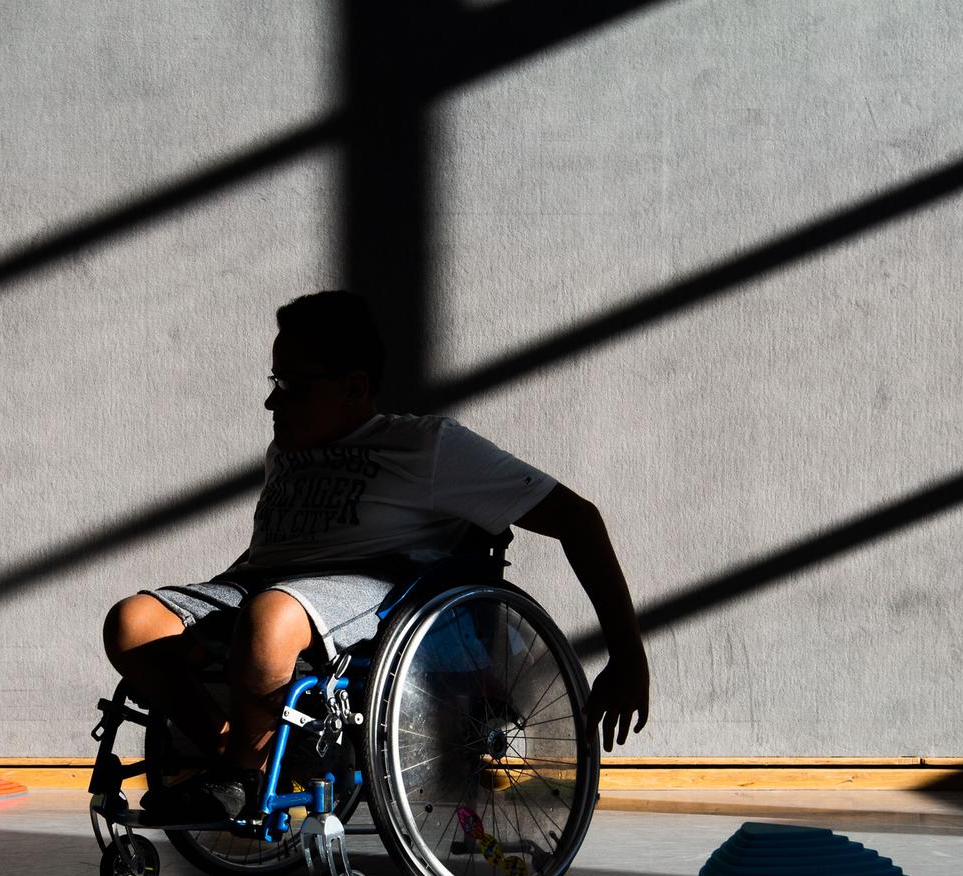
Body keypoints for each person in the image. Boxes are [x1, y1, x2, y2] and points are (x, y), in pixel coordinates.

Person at [103, 291, 650, 824]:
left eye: (292, 386)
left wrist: (627, 658)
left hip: (368, 589)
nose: (272, 401)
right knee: (130, 623)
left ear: (354, 386)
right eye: (275, 382)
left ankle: (241, 775)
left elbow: (579, 519)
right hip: (258, 583)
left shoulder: (427, 446)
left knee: (272, 615)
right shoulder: (285, 451)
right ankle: (239, 756)